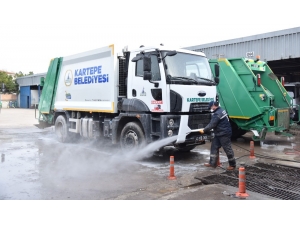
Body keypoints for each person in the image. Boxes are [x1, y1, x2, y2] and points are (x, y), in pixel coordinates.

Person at [199, 101, 236, 170]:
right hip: (219, 133)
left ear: (214, 106)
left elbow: (212, 124)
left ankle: (232, 165)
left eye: (211, 107)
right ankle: (212, 163)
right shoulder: (221, 110)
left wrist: (204, 130)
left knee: (227, 149)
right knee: (214, 147)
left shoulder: (217, 114)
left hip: (224, 133)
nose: (211, 109)